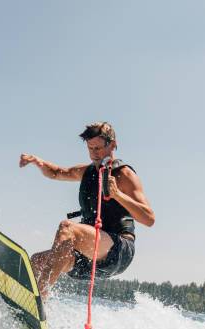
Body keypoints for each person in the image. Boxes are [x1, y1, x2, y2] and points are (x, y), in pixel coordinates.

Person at [19, 122, 155, 300]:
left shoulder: (124, 174)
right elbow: (57, 172)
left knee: (67, 227)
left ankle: (40, 299)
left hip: (119, 249)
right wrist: (39, 162)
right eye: (90, 148)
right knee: (37, 262)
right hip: (90, 257)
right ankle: (34, 311)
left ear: (112, 145)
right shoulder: (86, 172)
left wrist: (118, 195)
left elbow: (149, 219)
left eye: (98, 148)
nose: (94, 153)